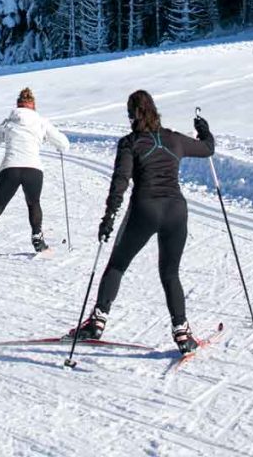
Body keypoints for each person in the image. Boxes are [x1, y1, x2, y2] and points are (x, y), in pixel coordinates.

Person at [77, 90, 215, 354]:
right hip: (176, 211)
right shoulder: (174, 139)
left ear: (131, 116)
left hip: (145, 209)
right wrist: (203, 129)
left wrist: (109, 218)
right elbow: (208, 148)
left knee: (117, 265)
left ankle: (97, 321)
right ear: (155, 111)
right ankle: (182, 333)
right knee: (170, 272)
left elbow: (120, 182)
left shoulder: (130, 143)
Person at [0, 87, 70, 256]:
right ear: (33, 106)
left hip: (11, 168)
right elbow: (63, 143)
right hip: (34, 169)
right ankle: (37, 238)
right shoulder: (41, 121)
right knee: (34, 204)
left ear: (18, 105)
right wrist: (58, 146)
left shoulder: (9, 122)